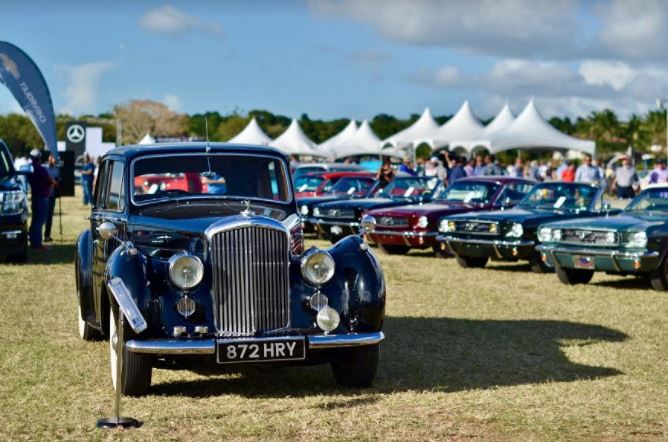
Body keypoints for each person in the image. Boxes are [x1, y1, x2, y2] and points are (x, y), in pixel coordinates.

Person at [27, 149, 55, 250]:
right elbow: (49, 180)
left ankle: (33, 241)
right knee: (40, 221)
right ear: (39, 158)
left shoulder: (29, 168)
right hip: (42, 197)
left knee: (35, 220)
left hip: (35, 196)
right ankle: (37, 244)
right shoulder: (41, 169)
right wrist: (53, 182)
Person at [43, 154, 60, 242]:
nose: (55, 160)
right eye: (53, 158)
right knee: (42, 216)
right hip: (44, 195)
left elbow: (57, 180)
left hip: (52, 195)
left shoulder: (56, 169)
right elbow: (43, 179)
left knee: (50, 216)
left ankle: (47, 235)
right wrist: (51, 182)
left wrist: (56, 182)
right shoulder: (44, 167)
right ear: (49, 158)